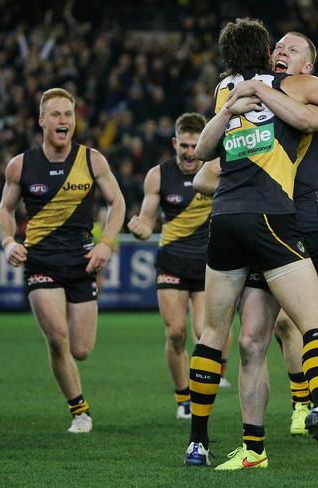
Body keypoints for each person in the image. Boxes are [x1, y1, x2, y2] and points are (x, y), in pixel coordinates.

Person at [182, 18, 318, 472]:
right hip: (274, 220)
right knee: (283, 335)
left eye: (293, 47)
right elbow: (316, 119)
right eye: (278, 46)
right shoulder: (274, 88)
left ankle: (206, 442)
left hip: (275, 223)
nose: (283, 52)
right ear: (267, 52)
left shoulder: (245, 88)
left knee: (315, 339)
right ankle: (283, 435)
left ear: (309, 63)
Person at [0, 87, 125, 433]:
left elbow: (118, 204)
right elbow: (5, 209)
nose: (63, 120)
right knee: (57, 336)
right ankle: (79, 411)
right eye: (56, 114)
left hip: (82, 262)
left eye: (68, 115)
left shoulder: (92, 159)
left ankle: (77, 399)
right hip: (40, 261)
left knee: (81, 349)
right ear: (42, 121)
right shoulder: (21, 165)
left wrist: (107, 244)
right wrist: (9, 242)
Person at [127, 113, 211, 420]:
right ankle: (183, 398)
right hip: (172, 261)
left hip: (206, 264)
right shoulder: (158, 175)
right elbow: (148, 221)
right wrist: (140, 228)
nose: (190, 153)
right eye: (184, 146)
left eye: (195, 145)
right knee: (176, 333)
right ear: (175, 143)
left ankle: (203, 397)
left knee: (204, 333)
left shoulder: (217, 170)